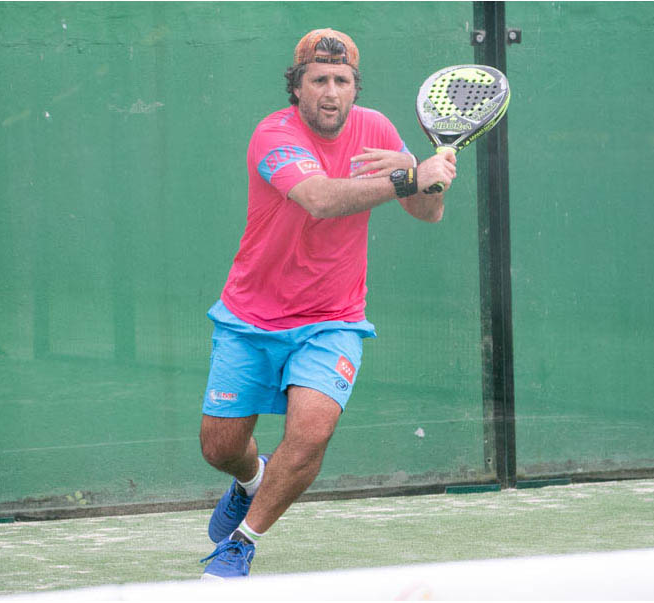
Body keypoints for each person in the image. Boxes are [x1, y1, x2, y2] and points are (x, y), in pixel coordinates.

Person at [198, 28, 457, 579]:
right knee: (220, 447)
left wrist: (430, 183)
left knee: (312, 432)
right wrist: (411, 174)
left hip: (332, 319)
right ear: (296, 87)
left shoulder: (376, 128)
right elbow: (318, 199)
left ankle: (241, 543)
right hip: (250, 317)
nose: (331, 92)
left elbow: (427, 213)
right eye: (319, 80)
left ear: (356, 87)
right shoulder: (273, 134)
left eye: (342, 81)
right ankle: (250, 479)